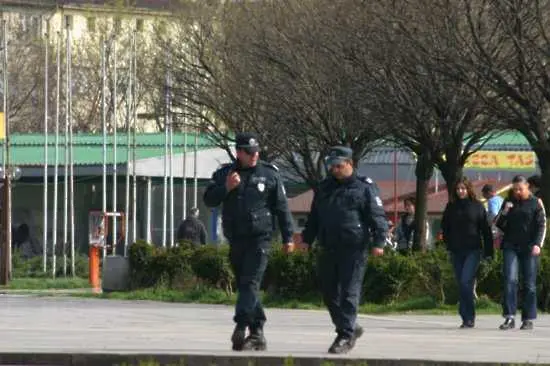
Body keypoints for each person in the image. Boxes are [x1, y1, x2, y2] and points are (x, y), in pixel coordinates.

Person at [203, 132, 294, 351]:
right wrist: (226, 188)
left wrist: (288, 237)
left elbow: (282, 208)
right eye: (250, 152)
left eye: (256, 152)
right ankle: (258, 333)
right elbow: (208, 199)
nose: (255, 156)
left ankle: (242, 326)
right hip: (236, 239)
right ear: (239, 153)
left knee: (250, 283)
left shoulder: (269, 174)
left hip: (260, 238)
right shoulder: (226, 173)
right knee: (246, 286)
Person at [293, 146, 388, 354]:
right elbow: (314, 218)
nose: (334, 170)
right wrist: (306, 240)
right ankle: (350, 327)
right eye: (331, 166)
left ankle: (345, 336)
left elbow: (378, 217)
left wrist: (379, 243)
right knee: (329, 294)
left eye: (339, 166)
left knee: (348, 293)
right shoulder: (324, 187)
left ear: (350, 164)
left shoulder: (364, 187)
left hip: (354, 248)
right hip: (328, 246)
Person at [441, 177, 494, 329]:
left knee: (466, 281)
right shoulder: (451, 207)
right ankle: (465, 316)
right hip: (456, 251)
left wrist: (489, 251)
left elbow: (485, 230)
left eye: (463, 188)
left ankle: (469, 316)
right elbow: (445, 227)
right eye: (458, 189)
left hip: (473, 250)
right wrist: (447, 243)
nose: (460, 191)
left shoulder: (477, 207)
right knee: (462, 284)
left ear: (468, 189)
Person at [495, 175, 546, 330]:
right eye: (515, 189)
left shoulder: (536, 203)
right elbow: (499, 224)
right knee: (510, 279)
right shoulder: (509, 202)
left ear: (527, 187)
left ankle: (528, 318)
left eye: (520, 189)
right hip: (511, 246)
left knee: (529, 284)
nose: (517, 192)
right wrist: (505, 212)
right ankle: (509, 317)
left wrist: (538, 244)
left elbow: (542, 225)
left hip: (529, 247)